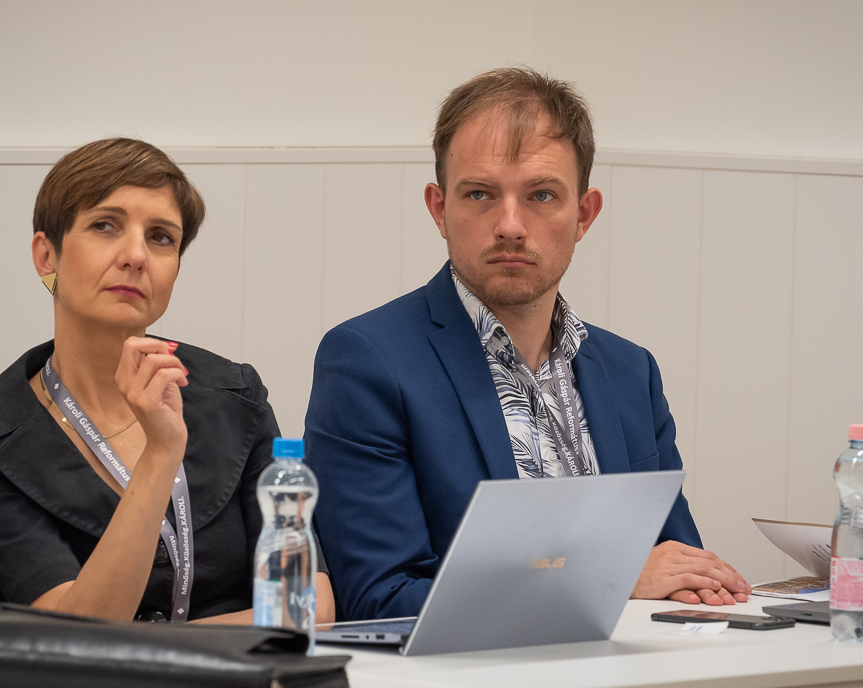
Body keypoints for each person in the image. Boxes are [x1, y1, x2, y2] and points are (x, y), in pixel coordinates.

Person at [305, 68, 750, 622]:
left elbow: (682, 571)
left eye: (541, 195)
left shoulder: (631, 372)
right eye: (480, 194)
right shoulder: (368, 362)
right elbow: (381, 600)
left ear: (584, 214)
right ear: (440, 209)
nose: (511, 225)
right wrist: (608, 577)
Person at [0, 138, 334, 623]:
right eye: (104, 226)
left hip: (242, 669)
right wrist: (161, 452)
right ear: (47, 256)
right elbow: (80, 632)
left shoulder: (236, 395)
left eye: (161, 237)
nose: (135, 255)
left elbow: (307, 605)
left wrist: (161, 645)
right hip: (122, 679)